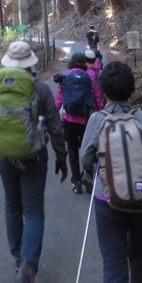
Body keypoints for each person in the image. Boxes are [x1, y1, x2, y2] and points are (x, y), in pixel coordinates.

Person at [0, 40, 67, 283]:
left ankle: (18, 257)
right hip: (35, 157)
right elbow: (55, 128)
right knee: (33, 210)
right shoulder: (41, 89)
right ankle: (29, 262)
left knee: (12, 206)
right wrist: (62, 157)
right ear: (30, 64)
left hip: (5, 157)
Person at [80, 61, 142, 283]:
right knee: (140, 255)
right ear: (131, 90)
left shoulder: (98, 119)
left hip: (107, 200)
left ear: (104, 90)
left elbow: (85, 159)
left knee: (113, 263)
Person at [54, 51, 101, 195]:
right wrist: (102, 112)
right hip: (85, 120)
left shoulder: (65, 78)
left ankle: (76, 182)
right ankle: (87, 174)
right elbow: (98, 98)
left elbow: (58, 101)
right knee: (87, 149)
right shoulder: (89, 78)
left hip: (68, 120)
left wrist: (55, 115)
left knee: (72, 151)